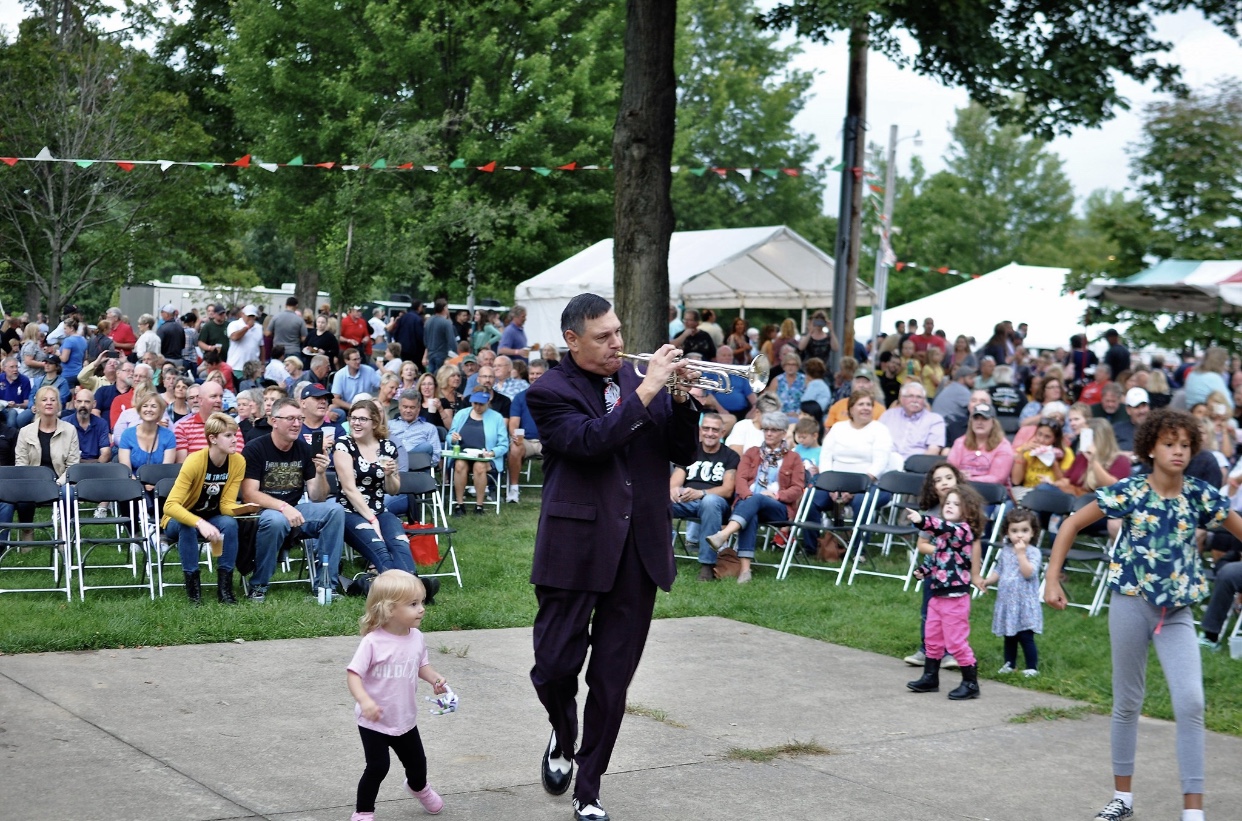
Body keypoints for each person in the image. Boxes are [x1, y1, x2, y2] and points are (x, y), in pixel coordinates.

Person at [525, 293, 701, 821]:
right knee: (554, 666)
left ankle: (590, 785)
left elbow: (682, 452)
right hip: (575, 545)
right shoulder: (548, 391)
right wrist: (649, 390)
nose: (617, 344)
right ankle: (563, 732)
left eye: (619, 332)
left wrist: (683, 401)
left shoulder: (641, 379)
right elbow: (591, 441)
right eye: (603, 337)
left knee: (611, 679)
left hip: (639, 547)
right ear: (572, 340)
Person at [1045, 409, 1242, 821]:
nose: (1178, 451)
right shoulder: (1131, 490)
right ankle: (1123, 799)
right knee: (1127, 701)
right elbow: (1071, 524)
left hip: (1177, 613)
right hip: (1131, 604)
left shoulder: (1200, 495)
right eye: (1169, 444)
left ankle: (1193, 812)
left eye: (1185, 444)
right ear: (1150, 448)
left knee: (1191, 703)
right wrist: (1052, 578)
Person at [346, 570, 448, 821]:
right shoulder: (373, 642)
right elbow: (353, 675)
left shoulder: (417, 638)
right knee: (377, 767)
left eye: (422, 602)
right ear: (389, 609)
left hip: (405, 718)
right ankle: (363, 812)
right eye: (413, 604)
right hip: (374, 721)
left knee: (418, 765)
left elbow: (421, 666)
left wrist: (435, 679)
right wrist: (365, 701)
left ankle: (419, 788)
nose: (422, 609)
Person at [240, 396, 346, 602]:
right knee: (276, 519)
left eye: (300, 418)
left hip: (295, 510)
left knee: (335, 511)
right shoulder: (255, 448)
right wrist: (283, 507)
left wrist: (321, 473)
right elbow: (249, 494)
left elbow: (317, 496)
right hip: (263, 513)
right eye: (290, 418)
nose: (297, 424)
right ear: (274, 421)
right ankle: (259, 585)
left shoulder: (303, 449)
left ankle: (326, 585)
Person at [904, 484, 986, 699]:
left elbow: (942, 527)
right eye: (948, 502)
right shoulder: (942, 536)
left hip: (955, 598)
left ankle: (970, 683)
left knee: (956, 642)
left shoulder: (963, 531)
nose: (949, 506)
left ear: (968, 511)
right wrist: (923, 571)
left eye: (956, 504)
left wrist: (921, 520)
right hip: (937, 595)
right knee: (932, 638)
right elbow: (936, 558)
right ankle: (930, 677)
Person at [705, 411, 806, 584]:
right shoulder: (752, 453)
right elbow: (740, 480)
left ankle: (724, 534)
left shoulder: (793, 458)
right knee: (752, 510)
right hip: (748, 503)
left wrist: (777, 495)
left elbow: (797, 488)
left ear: (783, 433)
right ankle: (745, 571)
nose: (769, 433)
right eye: (766, 429)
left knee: (756, 500)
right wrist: (750, 496)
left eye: (774, 430)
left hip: (778, 507)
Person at [161, 413, 250, 604]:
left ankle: (225, 589)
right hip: (179, 519)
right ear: (213, 439)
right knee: (187, 526)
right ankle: (194, 591)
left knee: (230, 524)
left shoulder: (238, 461)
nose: (235, 440)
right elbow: (170, 506)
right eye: (228, 435)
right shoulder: (194, 461)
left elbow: (225, 505)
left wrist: (244, 509)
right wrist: (199, 523)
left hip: (212, 516)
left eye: (235, 435)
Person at [334, 399, 417, 575]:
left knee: (400, 544)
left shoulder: (387, 447)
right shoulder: (344, 445)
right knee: (380, 550)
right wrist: (372, 520)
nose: (356, 423)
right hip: (350, 512)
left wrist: (389, 475)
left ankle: (411, 581)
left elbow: (393, 490)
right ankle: (399, 585)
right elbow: (349, 489)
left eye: (362, 419)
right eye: (353, 418)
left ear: (374, 423)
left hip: (379, 510)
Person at [670, 413, 739, 581]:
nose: (710, 433)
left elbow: (728, 489)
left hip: (717, 504)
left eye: (715, 430)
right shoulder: (690, 451)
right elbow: (674, 482)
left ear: (722, 433)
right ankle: (656, 555)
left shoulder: (730, 456)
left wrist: (701, 493)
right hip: (687, 501)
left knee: (709, 501)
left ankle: (707, 565)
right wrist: (674, 490)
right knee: (657, 501)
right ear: (700, 430)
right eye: (706, 428)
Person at [979, 508, 1042, 676]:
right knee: (1009, 635)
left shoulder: (1033, 552)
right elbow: (999, 569)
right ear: (1007, 532)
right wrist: (989, 580)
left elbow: (1029, 573)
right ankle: (1009, 664)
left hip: (1024, 604)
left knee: (1025, 636)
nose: (1019, 535)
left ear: (1033, 532)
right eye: (1014, 531)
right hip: (1007, 602)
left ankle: (1032, 667)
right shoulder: (1006, 550)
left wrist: (1021, 555)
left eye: (1024, 530)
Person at [446, 390, 508, 516]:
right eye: (475, 403)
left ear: (488, 402)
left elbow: (504, 444)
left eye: (481, 404)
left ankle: (479, 506)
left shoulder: (496, 417)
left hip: (486, 457)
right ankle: (459, 504)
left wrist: (492, 453)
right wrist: (453, 439)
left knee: (479, 466)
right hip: (463, 454)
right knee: (459, 465)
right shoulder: (461, 414)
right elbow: (449, 436)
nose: (478, 407)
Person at [504, 360, 546, 503]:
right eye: (532, 373)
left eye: (539, 373)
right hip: (526, 441)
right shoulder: (520, 397)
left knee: (559, 448)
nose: (535, 376)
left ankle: (552, 489)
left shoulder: (554, 395)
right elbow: (513, 422)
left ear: (546, 374)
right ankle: (514, 489)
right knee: (515, 448)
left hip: (546, 440)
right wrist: (515, 435)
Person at [946, 403, 1014, 486]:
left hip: (991, 491)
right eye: (976, 418)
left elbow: (997, 479)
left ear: (993, 423)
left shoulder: (1003, 446)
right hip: (962, 489)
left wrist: (967, 479)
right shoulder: (960, 442)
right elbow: (949, 470)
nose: (979, 422)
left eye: (984, 419)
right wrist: (957, 475)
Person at [1011, 417, 1074, 500]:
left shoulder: (1066, 452)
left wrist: (1053, 462)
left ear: (1055, 439)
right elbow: (1016, 481)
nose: (1041, 440)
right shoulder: (1027, 449)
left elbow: (1064, 483)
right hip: (1027, 491)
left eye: (1047, 437)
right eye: (1039, 434)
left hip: (1052, 493)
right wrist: (1021, 453)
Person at [67, 388, 111, 463]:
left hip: (97, 467)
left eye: (87, 402)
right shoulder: (66, 423)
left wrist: (95, 466)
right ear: (75, 403)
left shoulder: (101, 424)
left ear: (94, 404)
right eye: (79, 401)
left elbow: (106, 453)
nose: (83, 405)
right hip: (72, 466)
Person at [423, 298, 455, 373]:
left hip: (430, 354)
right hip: (442, 355)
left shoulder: (428, 321)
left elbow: (425, 341)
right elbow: (452, 341)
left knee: (431, 376)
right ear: (444, 308)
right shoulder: (446, 322)